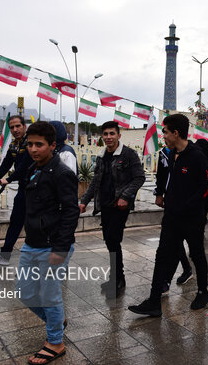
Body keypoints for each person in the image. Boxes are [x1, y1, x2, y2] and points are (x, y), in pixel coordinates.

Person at [128, 114, 208, 316]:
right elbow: (165, 179)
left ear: (176, 133)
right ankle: (154, 300)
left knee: (197, 254)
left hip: (192, 218)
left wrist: (186, 206)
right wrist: (162, 195)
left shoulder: (196, 156)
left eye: (165, 132)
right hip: (172, 217)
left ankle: (203, 292)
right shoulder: (170, 154)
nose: (162, 135)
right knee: (162, 255)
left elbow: (206, 187)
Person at [14, 121, 78, 365]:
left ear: (53, 145)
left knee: (50, 297)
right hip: (32, 243)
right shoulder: (34, 167)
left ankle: (55, 342)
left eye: (39, 145)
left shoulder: (62, 174)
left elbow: (71, 212)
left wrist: (60, 249)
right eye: (29, 144)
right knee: (24, 292)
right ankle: (56, 321)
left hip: (52, 245)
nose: (33, 149)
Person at [80, 121, 145, 294]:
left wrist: (125, 196)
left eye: (112, 134)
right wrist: (84, 201)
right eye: (106, 134)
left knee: (114, 241)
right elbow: (96, 181)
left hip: (119, 205)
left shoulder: (129, 154)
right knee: (110, 242)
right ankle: (117, 278)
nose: (109, 137)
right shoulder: (102, 156)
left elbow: (139, 178)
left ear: (119, 135)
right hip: (105, 205)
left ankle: (118, 279)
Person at [0, 115, 33, 266]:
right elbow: (6, 164)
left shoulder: (30, 143)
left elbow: (25, 166)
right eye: (12, 127)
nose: (15, 129)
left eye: (18, 126)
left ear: (24, 126)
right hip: (23, 189)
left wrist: (9, 180)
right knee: (16, 220)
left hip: (35, 189)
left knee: (34, 223)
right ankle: (5, 254)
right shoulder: (14, 145)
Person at [154, 146, 193, 287]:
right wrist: (159, 193)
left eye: (167, 133)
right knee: (172, 241)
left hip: (185, 205)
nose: (164, 136)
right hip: (171, 202)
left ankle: (167, 280)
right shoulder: (165, 153)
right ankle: (184, 270)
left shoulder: (191, 152)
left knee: (175, 242)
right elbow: (162, 174)